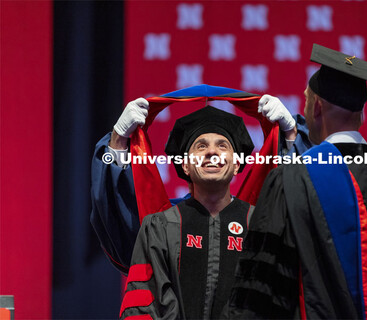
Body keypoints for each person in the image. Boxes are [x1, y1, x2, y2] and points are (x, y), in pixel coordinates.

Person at [227, 44, 367, 319]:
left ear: (317, 108)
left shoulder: (293, 179)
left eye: (306, 100)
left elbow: (262, 293)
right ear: (361, 115)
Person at [90, 94, 308, 275]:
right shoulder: (159, 226)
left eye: (222, 145)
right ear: (185, 165)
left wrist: (290, 135)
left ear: (236, 165)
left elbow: (301, 213)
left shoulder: (260, 222)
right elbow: (120, 223)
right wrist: (119, 140)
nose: (212, 152)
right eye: (200, 146)